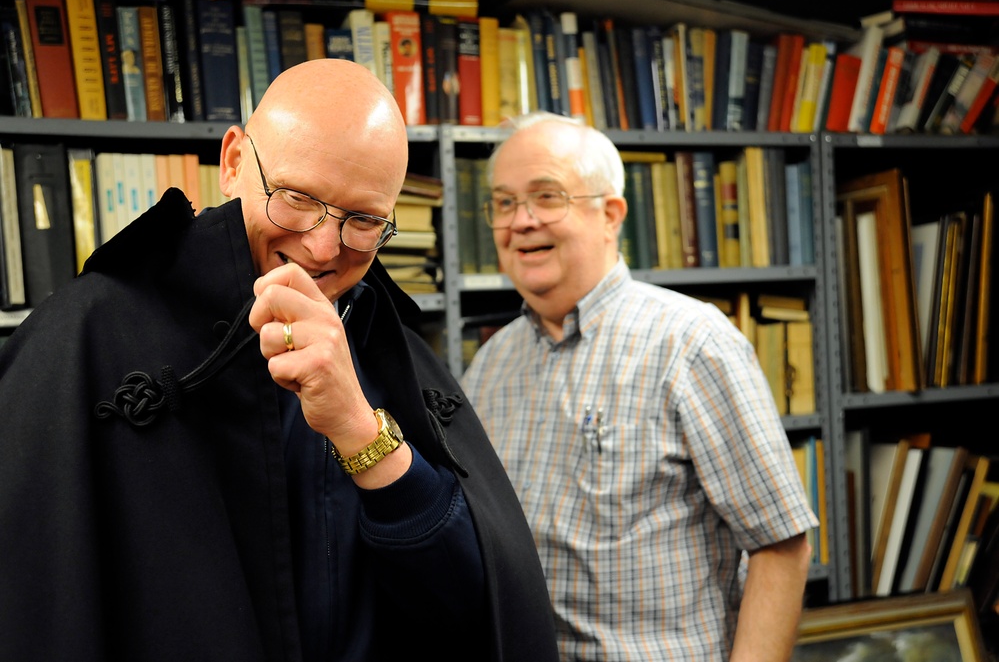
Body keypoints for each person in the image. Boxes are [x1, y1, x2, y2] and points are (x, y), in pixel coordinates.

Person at [0, 60, 559, 662]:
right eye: (295, 197)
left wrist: (359, 430)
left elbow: (471, 612)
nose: (323, 249)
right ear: (234, 163)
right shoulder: (87, 336)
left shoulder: (390, 345)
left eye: (365, 220)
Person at [461, 111, 818, 661]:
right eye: (504, 203)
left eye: (546, 196)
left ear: (611, 214)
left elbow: (781, 544)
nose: (521, 221)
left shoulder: (692, 345)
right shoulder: (488, 366)